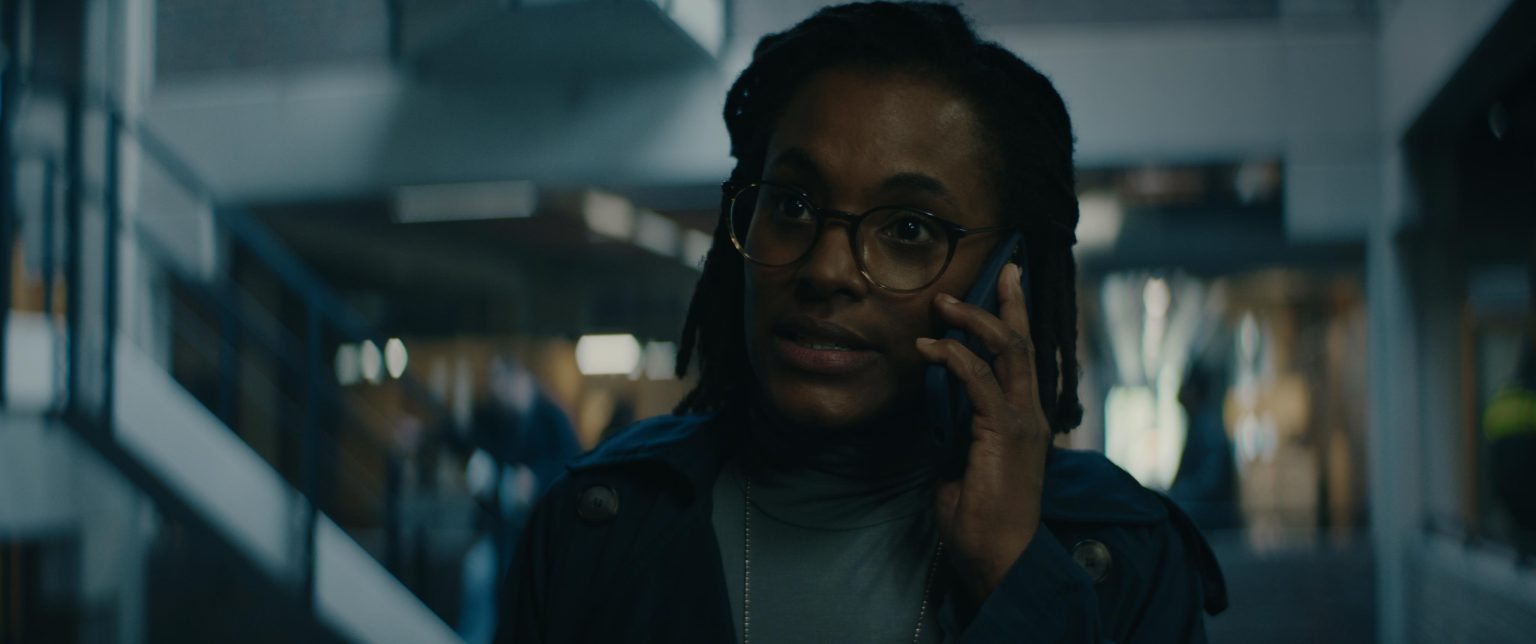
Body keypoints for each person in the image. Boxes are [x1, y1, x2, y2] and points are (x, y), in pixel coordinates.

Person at [496, 3, 1226, 641]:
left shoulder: (1121, 557)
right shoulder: (596, 525)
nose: (826, 270)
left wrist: (1019, 582)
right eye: (792, 205)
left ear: (1007, 276)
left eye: (909, 228)